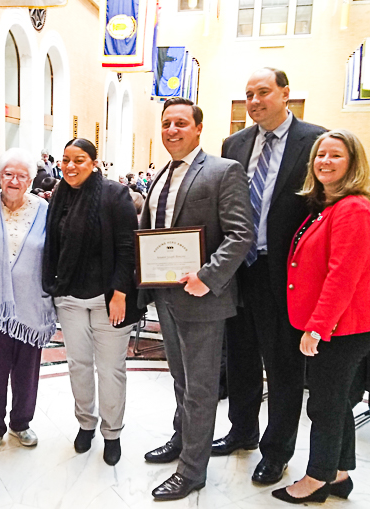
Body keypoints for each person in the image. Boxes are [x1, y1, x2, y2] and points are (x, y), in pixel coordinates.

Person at [213, 68, 326, 485]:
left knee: (282, 365)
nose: (255, 101)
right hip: (238, 269)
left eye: (263, 92)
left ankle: (276, 450)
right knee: (239, 357)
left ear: (285, 93)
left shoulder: (315, 141)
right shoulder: (235, 143)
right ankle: (242, 431)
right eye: (248, 95)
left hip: (285, 272)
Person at [141, 97, 253, 501]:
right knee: (180, 380)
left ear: (198, 128)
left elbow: (242, 235)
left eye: (181, 123)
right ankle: (182, 438)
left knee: (201, 387)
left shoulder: (224, 171)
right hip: (166, 297)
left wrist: (207, 277)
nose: (172, 130)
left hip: (203, 299)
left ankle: (191, 471)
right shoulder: (160, 176)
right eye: (167, 122)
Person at [272, 130, 370, 504]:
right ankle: (340, 475)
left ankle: (316, 479)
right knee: (338, 400)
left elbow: (343, 275)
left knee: (325, 404)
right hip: (335, 325)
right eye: (320, 155)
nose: (325, 161)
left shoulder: (353, 208)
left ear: (353, 164)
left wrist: (317, 326)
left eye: (335, 156)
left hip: (342, 328)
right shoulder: (328, 206)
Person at [43, 138, 138, 466]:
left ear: (94, 162)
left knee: (111, 370)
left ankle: (113, 432)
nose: (70, 166)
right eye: (66, 160)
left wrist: (120, 292)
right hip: (69, 297)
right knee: (78, 365)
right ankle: (86, 424)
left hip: (107, 299)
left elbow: (128, 246)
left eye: (79, 160)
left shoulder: (114, 194)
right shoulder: (60, 195)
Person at [0, 147, 56, 456]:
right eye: (8, 174)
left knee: (26, 369)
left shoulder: (44, 210)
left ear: (31, 179)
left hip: (30, 305)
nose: (14, 181)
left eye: (21, 175)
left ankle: (21, 422)